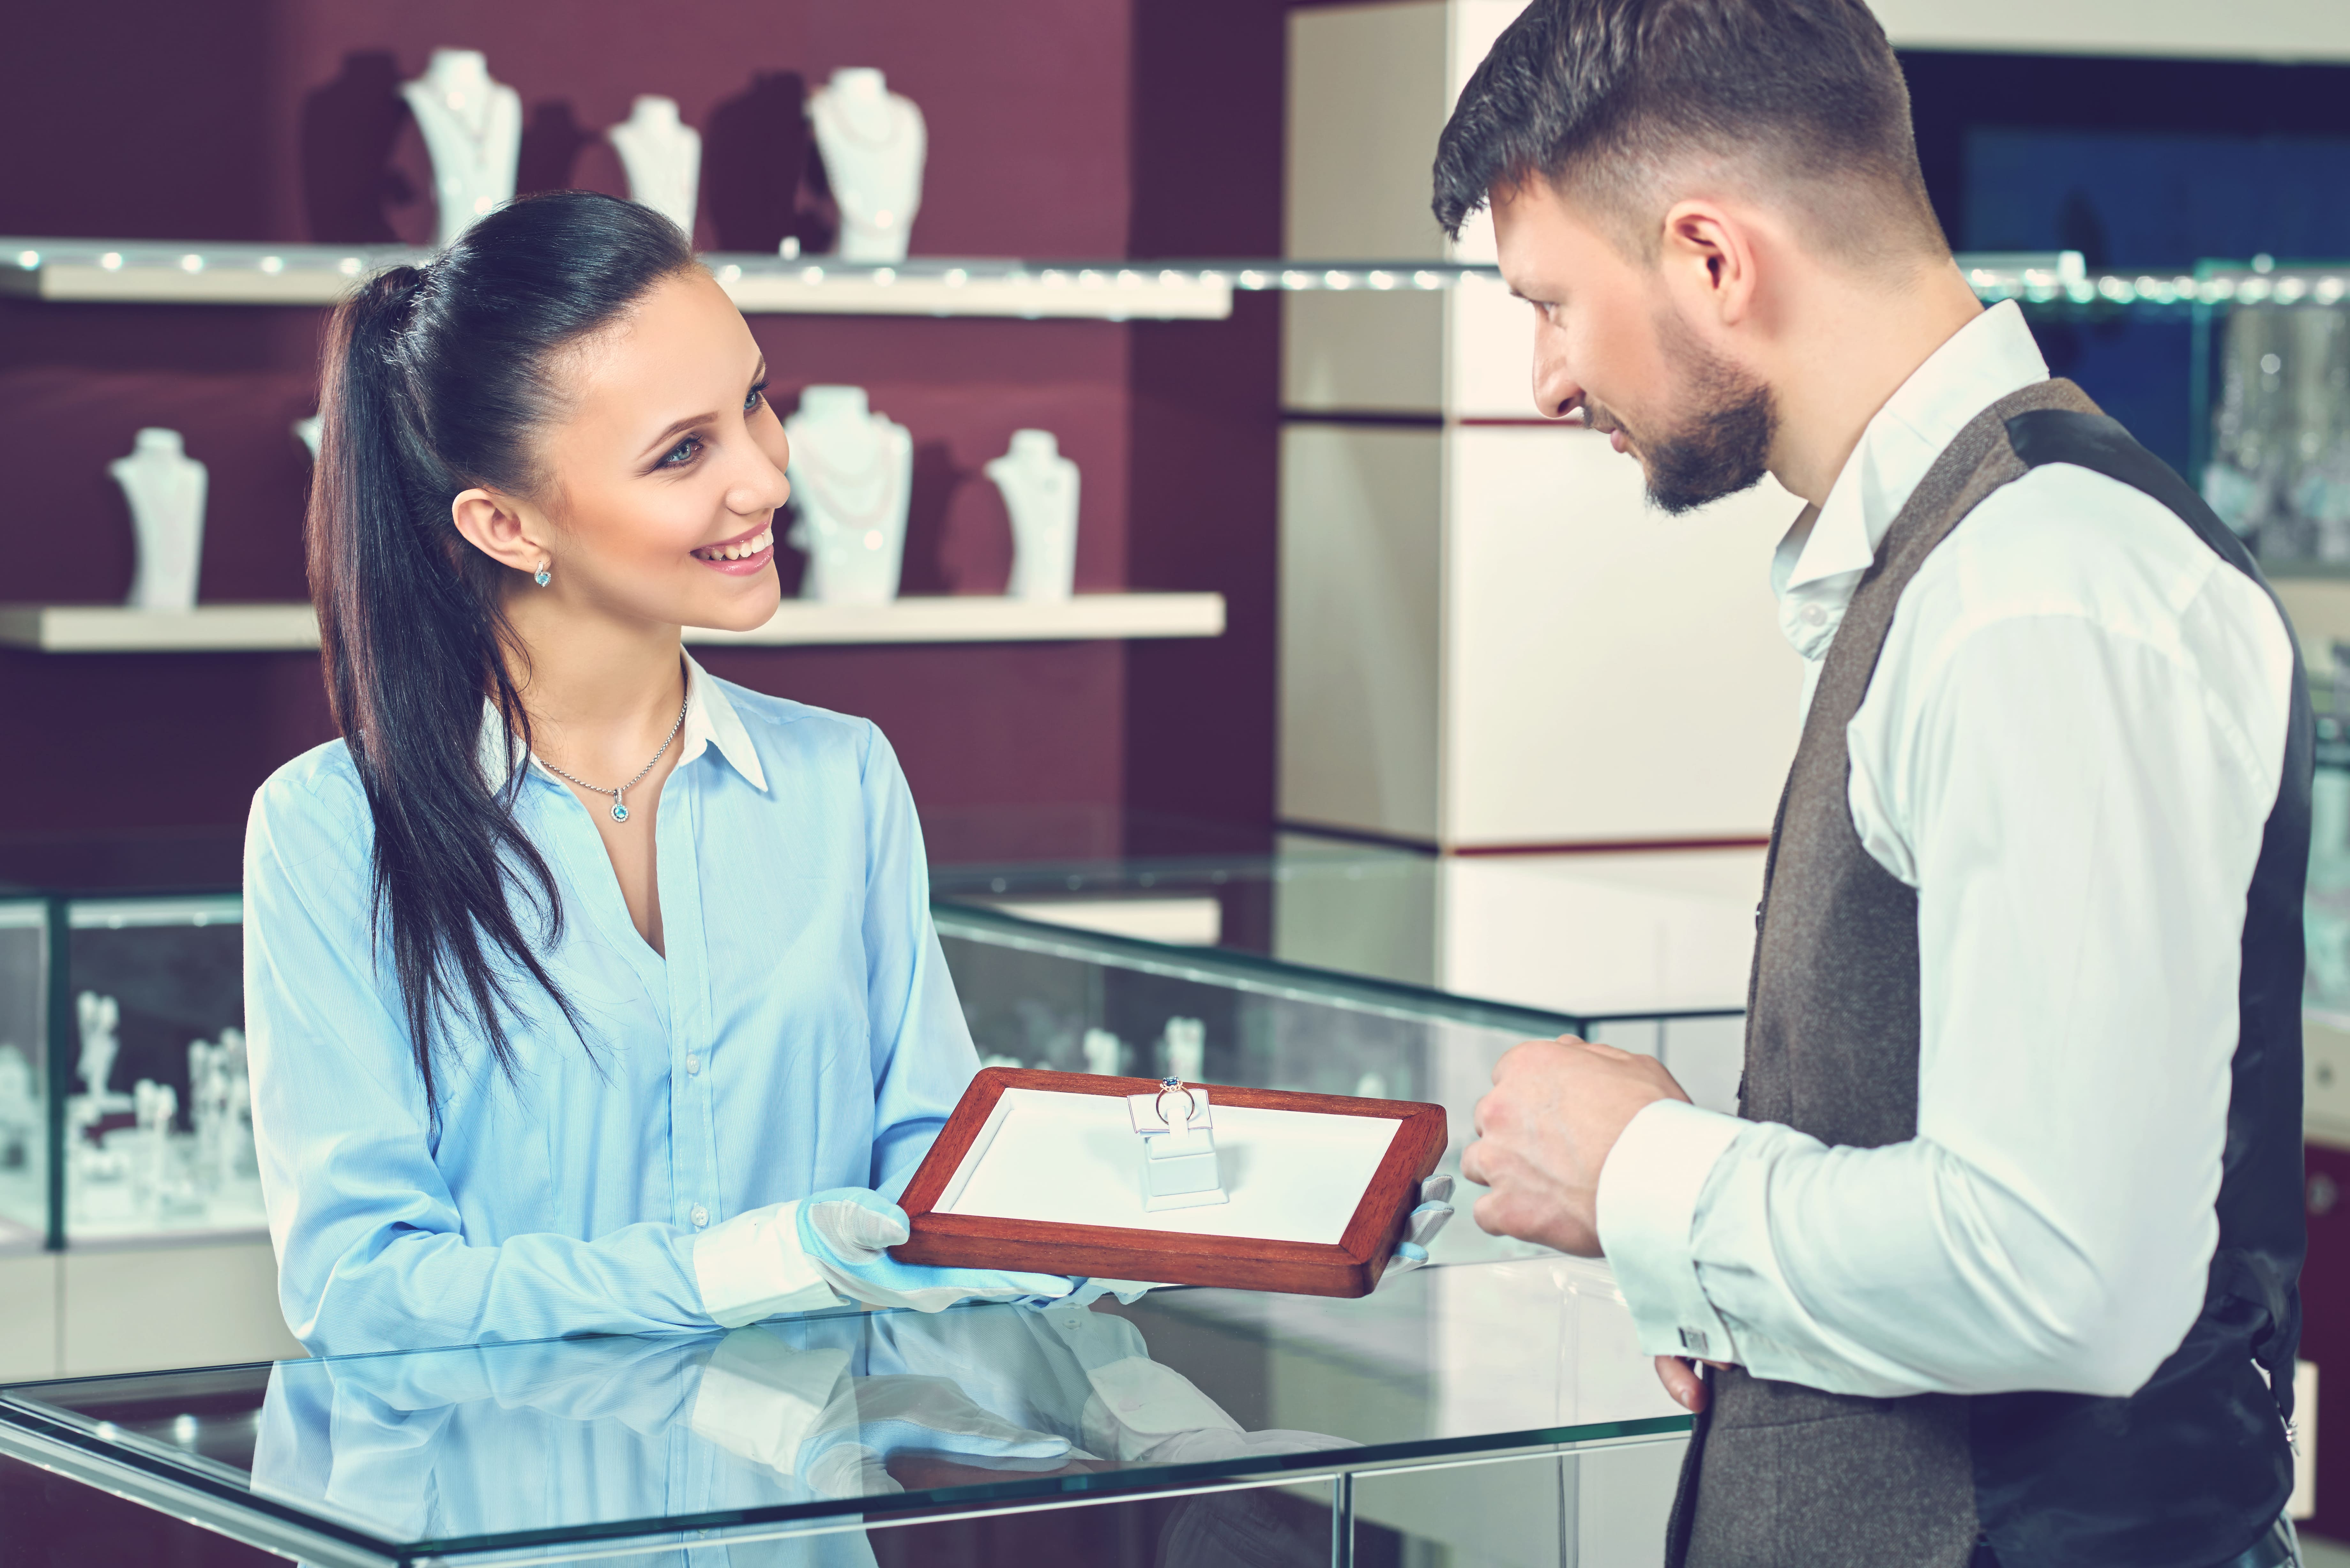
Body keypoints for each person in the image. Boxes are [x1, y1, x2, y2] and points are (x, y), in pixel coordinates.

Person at [1438, 5, 2307, 1567]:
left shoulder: (2037, 593)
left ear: (1712, 259)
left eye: (1555, 304)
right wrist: (1731, 1284)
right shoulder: (1972, 566)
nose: (1546, 381)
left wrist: (1642, 1172)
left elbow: (2061, 1271)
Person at [244, 191, 1092, 1358]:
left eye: (753, 401)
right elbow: (364, 1290)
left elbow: (934, 1176)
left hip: (795, 1521)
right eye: (684, 452)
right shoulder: (330, 828)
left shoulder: (841, 780)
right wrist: (746, 1269)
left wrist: (1209, 1215)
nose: (767, 481)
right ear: (506, 525)